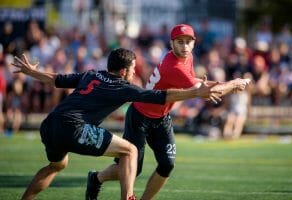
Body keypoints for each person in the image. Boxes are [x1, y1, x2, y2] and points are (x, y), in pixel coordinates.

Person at [12, 48, 232, 200]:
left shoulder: (91, 74)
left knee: (57, 165)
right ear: (125, 70)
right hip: (73, 126)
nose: (135, 72)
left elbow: (56, 79)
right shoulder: (124, 87)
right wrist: (196, 92)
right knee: (130, 151)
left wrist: (31, 72)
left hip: (50, 123)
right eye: (133, 68)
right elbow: (162, 96)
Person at [94, 24, 251, 200]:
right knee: (134, 169)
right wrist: (234, 84)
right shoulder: (173, 66)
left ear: (193, 43)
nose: (184, 46)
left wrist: (220, 85)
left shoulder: (187, 57)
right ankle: (97, 178)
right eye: (180, 42)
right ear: (171, 43)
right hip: (140, 115)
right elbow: (203, 92)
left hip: (161, 117)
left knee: (167, 165)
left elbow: (197, 84)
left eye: (188, 42)